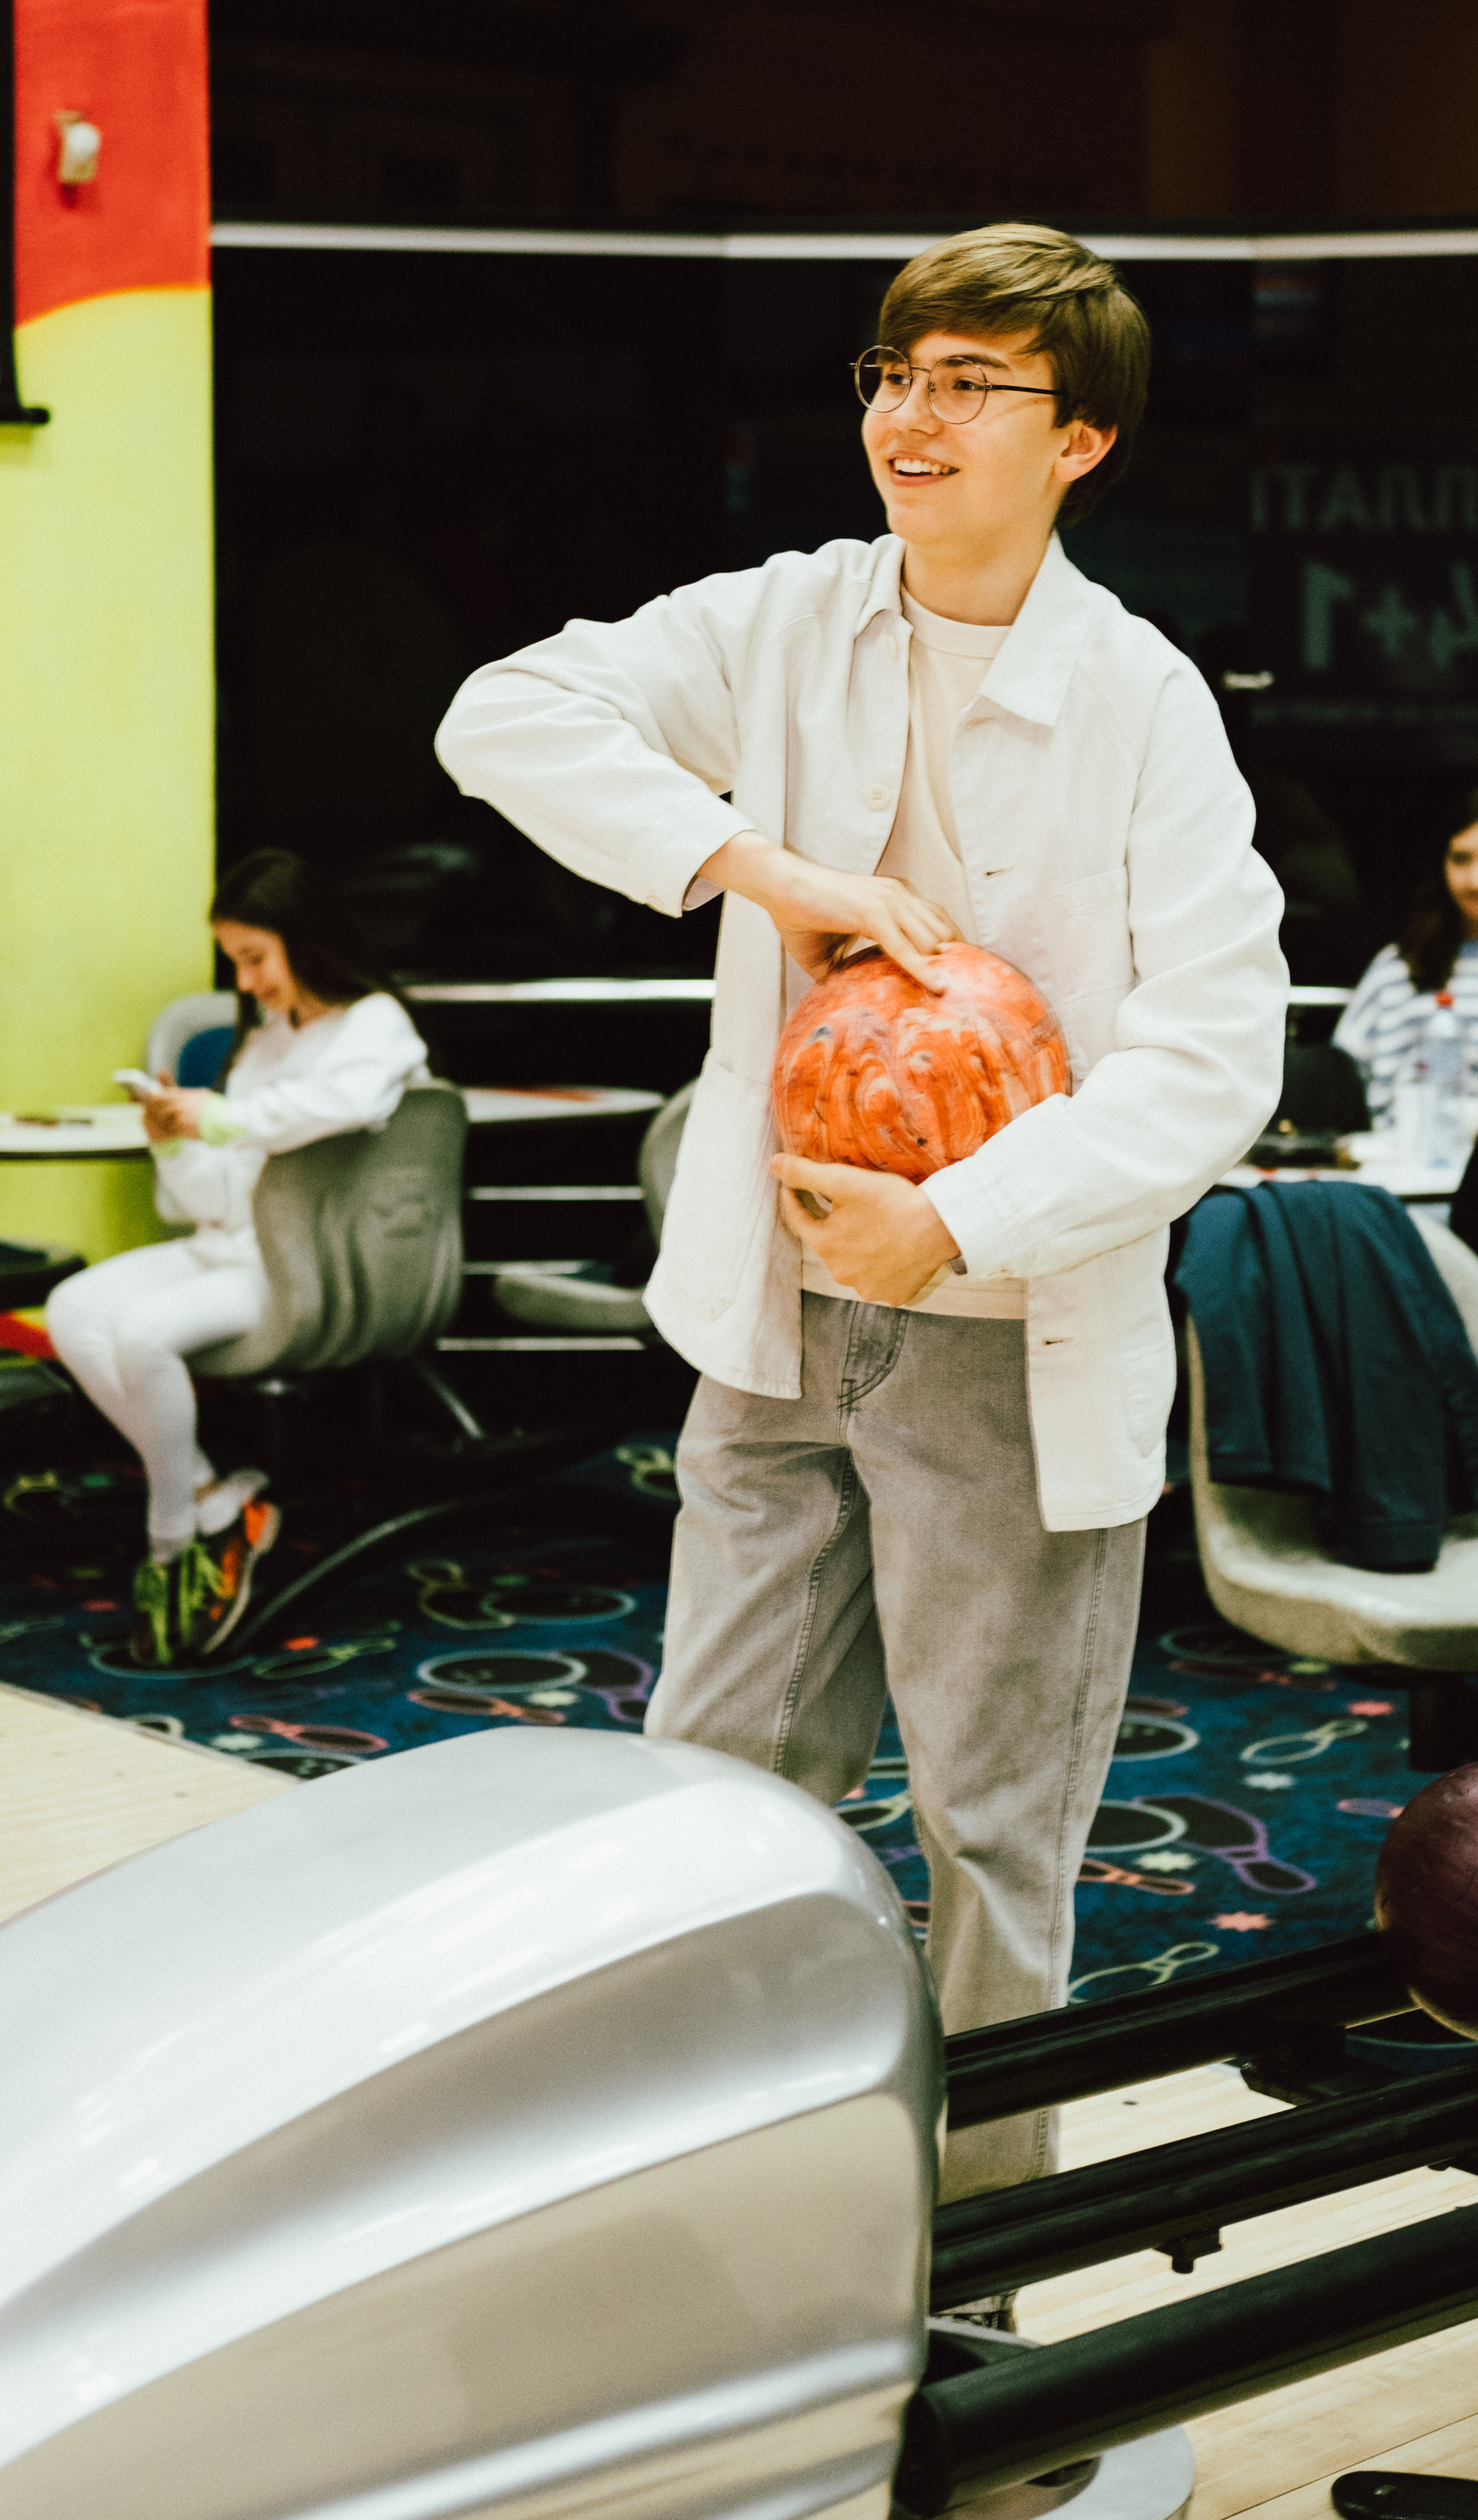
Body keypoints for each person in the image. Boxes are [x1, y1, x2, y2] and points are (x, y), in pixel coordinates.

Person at [435, 224, 1286, 2272]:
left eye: (969, 383)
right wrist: (760, 863)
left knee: (990, 1845)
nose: (911, 415)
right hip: (774, 1327)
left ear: (1076, 438)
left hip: (1004, 1338)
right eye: (894, 374)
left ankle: (979, 2284)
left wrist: (957, 1219)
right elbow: (502, 711)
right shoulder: (786, 617)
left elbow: (1214, 1052)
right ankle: (725, 2241)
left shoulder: (1139, 701)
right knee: (714, 1800)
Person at [47, 850, 430, 1667]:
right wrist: (174, 1140)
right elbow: (217, 1198)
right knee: (71, 1308)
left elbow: (346, 1102)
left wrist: (218, 1116)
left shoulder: (375, 1023)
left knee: (142, 1335)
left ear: (306, 938)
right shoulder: (263, 1043)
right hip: (229, 1246)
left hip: (301, 1266)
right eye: (236, 963)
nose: (247, 981)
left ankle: (170, 1541)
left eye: (257, 957)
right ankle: (216, 1501)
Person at [1334, 797, 1478, 1125]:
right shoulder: (1400, 965)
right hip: (1408, 1147)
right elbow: (1347, 1073)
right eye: (1461, 859)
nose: (1474, 881)